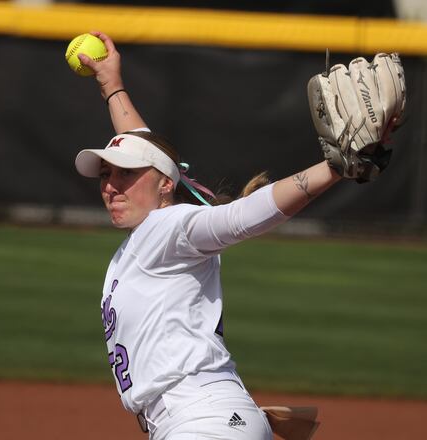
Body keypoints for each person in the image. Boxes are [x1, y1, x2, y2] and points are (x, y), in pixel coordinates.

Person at [73, 32, 403, 439]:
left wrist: (335, 167)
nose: (111, 185)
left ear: (164, 185)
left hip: (202, 422)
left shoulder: (169, 228)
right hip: (202, 420)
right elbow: (147, 153)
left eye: (124, 174)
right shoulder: (149, 239)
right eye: (105, 174)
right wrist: (111, 86)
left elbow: (242, 216)